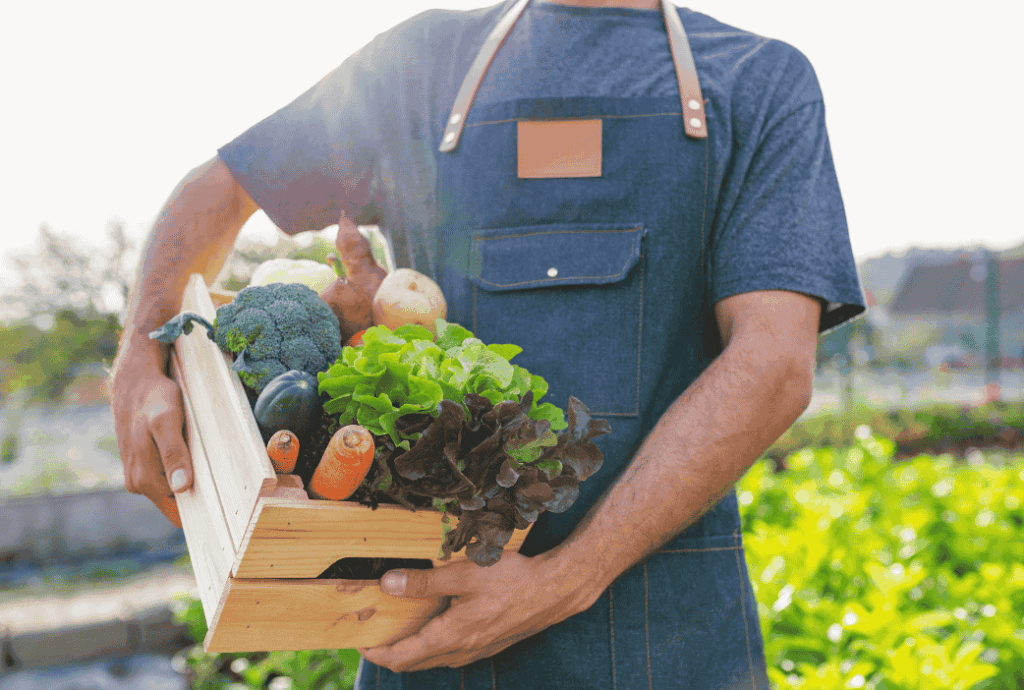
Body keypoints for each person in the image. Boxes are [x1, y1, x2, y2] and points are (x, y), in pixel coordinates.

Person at [109, 0, 866, 687]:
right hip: (428, 635)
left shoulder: (758, 82)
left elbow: (772, 365)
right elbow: (222, 187)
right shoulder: (419, 65)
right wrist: (141, 355)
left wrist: (566, 579)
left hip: (668, 639)